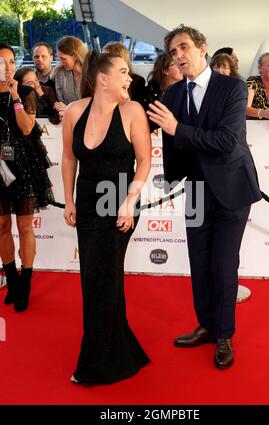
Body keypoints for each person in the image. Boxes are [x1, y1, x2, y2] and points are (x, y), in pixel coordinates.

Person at [147, 25, 262, 370]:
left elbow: (227, 141)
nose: (178, 56)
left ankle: (224, 334)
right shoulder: (170, 95)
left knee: (223, 263)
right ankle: (207, 326)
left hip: (231, 188)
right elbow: (169, 144)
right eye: (173, 52)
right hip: (195, 190)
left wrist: (178, 129)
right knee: (199, 261)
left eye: (183, 48)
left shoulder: (233, 88)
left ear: (202, 49)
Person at [62, 51, 151, 384]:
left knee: (104, 281)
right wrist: (69, 201)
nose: (130, 79)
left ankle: (96, 365)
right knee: (96, 280)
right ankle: (121, 349)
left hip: (119, 208)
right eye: (124, 73)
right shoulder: (74, 112)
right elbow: (69, 159)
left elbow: (144, 162)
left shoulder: (132, 111)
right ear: (102, 79)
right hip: (86, 206)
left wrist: (130, 201)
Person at [0, 43, 54, 312]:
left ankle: (26, 282)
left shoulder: (26, 92)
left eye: (11, 61)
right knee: (1, 226)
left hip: (24, 166)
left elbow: (26, 128)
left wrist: (16, 97)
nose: (8, 67)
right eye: (2, 62)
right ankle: (11, 279)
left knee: (24, 227)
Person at [102, 41, 147, 109]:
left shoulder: (136, 81)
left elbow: (138, 109)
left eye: (106, 58)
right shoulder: (102, 78)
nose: (101, 61)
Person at [53, 36, 87, 121]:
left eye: (63, 58)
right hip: (70, 123)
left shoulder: (91, 75)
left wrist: (68, 109)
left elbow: (96, 107)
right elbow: (62, 104)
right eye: (59, 58)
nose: (60, 62)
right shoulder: (59, 74)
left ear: (75, 56)